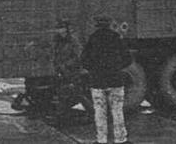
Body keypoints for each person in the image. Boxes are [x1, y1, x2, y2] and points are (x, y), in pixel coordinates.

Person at [81, 15, 133, 144]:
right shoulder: (116, 38)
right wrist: (117, 67)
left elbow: (84, 60)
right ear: (109, 25)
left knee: (100, 113)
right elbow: (128, 59)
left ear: (97, 25)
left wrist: (94, 70)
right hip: (115, 81)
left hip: (97, 82)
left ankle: (101, 140)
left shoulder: (92, 39)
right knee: (117, 111)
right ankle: (120, 139)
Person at [52, 19, 86, 116]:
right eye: (58, 29)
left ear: (66, 30)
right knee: (62, 93)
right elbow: (56, 55)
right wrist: (58, 66)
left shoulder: (73, 41)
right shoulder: (58, 41)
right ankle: (62, 114)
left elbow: (78, 55)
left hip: (72, 71)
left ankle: (91, 112)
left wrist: (67, 64)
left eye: (62, 28)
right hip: (62, 71)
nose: (60, 31)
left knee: (76, 93)